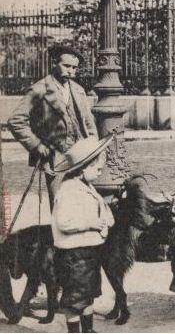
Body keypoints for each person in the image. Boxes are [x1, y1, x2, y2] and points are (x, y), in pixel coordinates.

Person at [8, 44, 98, 204]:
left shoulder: (78, 90)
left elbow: (89, 123)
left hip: (81, 154)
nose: (71, 70)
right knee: (60, 204)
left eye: (74, 67)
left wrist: (93, 147)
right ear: (54, 63)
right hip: (55, 157)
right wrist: (37, 145)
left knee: (82, 201)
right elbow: (16, 121)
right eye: (66, 66)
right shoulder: (39, 89)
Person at [51, 135, 115, 333]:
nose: (100, 170)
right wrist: (92, 223)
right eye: (96, 167)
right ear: (82, 168)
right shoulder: (68, 190)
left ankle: (87, 330)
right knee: (74, 298)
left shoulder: (87, 186)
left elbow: (101, 209)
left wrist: (106, 221)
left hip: (87, 252)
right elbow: (64, 222)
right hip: (74, 255)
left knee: (88, 293)